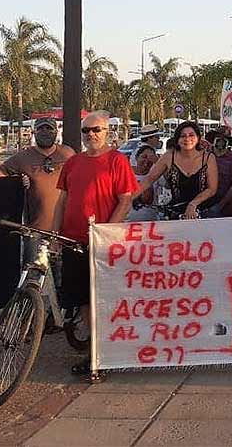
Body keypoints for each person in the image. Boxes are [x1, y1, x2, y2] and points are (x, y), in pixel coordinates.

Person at [52, 111, 138, 377]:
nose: (91, 135)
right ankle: (94, 352)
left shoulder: (117, 160)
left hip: (101, 242)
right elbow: (62, 201)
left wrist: (106, 233)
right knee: (82, 299)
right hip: (72, 239)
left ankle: (109, 350)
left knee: (104, 298)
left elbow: (126, 200)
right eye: (86, 131)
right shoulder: (73, 162)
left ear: (107, 131)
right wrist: (55, 234)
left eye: (96, 130)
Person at [0, 117, 75, 231]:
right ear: (34, 132)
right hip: (36, 230)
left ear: (56, 132)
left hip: (65, 228)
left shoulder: (67, 153)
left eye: (49, 129)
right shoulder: (22, 157)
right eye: (40, 129)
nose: (45, 132)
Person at [137, 121, 218, 220]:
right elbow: (149, 179)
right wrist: (130, 197)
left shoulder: (208, 157)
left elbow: (212, 189)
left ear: (198, 138)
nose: (187, 139)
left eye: (191, 135)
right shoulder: (168, 156)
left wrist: (193, 204)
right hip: (177, 213)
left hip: (205, 212)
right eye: (183, 136)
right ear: (177, 139)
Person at [204, 127, 232, 217]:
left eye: (225, 138)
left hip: (226, 207)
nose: (221, 141)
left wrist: (220, 206)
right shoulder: (204, 156)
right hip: (204, 204)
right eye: (219, 138)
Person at [127, 144, 162, 221]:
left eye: (150, 158)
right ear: (136, 158)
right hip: (126, 223)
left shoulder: (157, 174)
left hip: (151, 222)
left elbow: (169, 184)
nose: (147, 161)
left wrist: (159, 162)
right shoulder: (125, 173)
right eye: (144, 157)